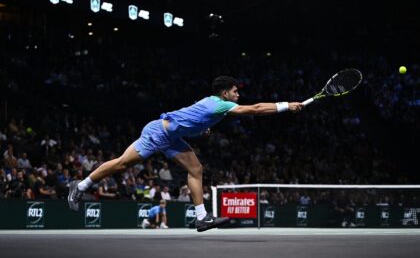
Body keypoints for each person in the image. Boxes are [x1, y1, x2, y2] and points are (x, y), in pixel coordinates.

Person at [68, 76, 304, 232]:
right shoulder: (220, 104)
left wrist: (203, 127)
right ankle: (80, 186)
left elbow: (192, 116)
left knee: (196, 169)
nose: (238, 95)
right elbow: (254, 110)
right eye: (234, 92)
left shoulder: (214, 104)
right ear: (224, 93)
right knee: (121, 165)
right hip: (157, 133)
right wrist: (285, 105)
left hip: (171, 137)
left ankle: (201, 218)